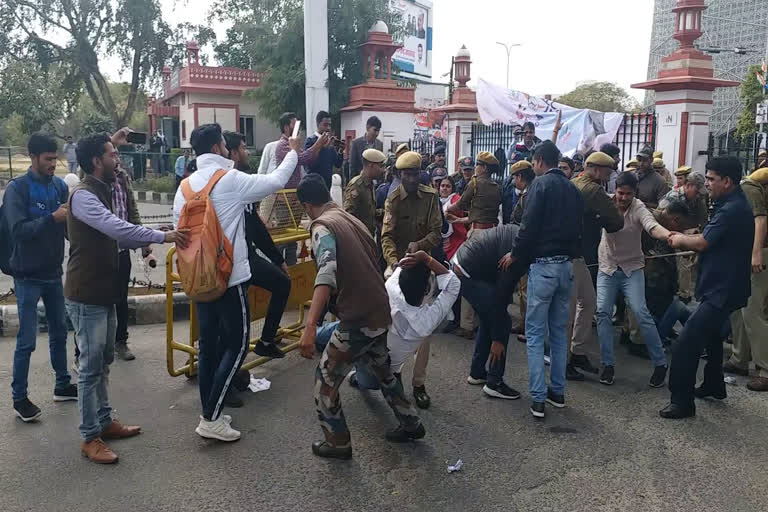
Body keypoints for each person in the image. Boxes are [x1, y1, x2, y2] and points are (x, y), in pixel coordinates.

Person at [173, 123, 301, 442]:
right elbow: (274, 180)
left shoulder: (185, 187)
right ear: (219, 147)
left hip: (199, 278)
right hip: (229, 279)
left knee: (209, 348)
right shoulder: (229, 180)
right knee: (239, 343)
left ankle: (211, 410)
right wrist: (294, 151)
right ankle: (211, 418)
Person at [67, 130, 188, 463]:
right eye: (112, 154)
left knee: (103, 362)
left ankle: (104, 421)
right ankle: (89, 436)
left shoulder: (104, 189)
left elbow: (122, 228)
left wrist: (150, 240)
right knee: (91, 368)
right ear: (96, 161)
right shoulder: (84, 196)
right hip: (86, 293)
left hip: (103, 292)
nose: (117, 159)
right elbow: (118, 229)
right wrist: (164, 235)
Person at [296, 174, 423, 459]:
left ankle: (338, 442)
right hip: (378, 309)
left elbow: (326, 272)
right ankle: (411, 422)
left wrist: (311, 325)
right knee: (385, 373)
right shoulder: (352, 220)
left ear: (306, 205)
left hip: (358, 317)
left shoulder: (323, 226)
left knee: (325, 381)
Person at [661, 157, 754, 418]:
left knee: (686, 344)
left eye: (712, 179)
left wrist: (679, 239)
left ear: (727, 181)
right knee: (713, 338)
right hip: (722, 285)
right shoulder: (730, 204)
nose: (707, 184)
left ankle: (681, 402)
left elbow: (702, 242)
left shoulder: (732, 209)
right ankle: (714, 385)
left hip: (722, 290)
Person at [503, 140, 584, 419]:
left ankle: (538, 398)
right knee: (559, 333)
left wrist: (515, 254)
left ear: (538, 161)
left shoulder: (539, 185)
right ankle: (557, 392)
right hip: (566, 266)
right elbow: (579, 229)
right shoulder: (573, 188)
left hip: (544, 266)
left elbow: (528, 225)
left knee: (536, 334)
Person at [4, 133, 75, 422]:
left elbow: (67, 226)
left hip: (53, 272)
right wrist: (52, 219)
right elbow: (17, 231)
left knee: (60, 331)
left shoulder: (59, 186)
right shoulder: (17, 189)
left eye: (55, 159)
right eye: (47, 159)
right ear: (33, 158)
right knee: (27, 339)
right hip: (27, 275)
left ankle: (62, 384)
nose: (53, 165)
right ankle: (19, 398)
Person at [595, 171, 673, 388]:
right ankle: (607, 364)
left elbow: (652, 226)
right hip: (607, 267)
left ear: (634, 193)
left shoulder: (639, 208)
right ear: (616, 190)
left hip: (632, 268)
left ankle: (660, 364)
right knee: (602, 312)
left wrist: (669, 236)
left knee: (640, 312)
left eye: (628, 194)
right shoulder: (607, 203)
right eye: (620, 193)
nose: (623, 198)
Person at [223, 131, 291, 364]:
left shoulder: (245, 181)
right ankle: (229, 372)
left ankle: (265, 341)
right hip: (228, 262)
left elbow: (256, 227)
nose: (247, 151)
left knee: (283, 282)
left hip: (248, 257)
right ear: (232, 153)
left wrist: (277, 259)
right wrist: (293, 152)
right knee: (232, 326)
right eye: (243, 147)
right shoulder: (226, 183)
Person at [381, 150, 442, 408]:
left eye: (415, 173)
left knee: (423, 330)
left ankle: (419, 383)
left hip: (421, 267)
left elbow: (437, 232)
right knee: (389, 324)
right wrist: (394, 263)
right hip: (396, 268)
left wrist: (419, 248)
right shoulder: (393, 199)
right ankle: (389, 375)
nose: (412, 178)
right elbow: (386, 236)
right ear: (399, 174)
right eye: (407, 174)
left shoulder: (430, 197)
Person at [567, 152, 624, 380]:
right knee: (572, 311)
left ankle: (577, 351)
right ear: (598, 170)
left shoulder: (572, 183)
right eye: (608, 172)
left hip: (574, 254)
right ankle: (565, 362)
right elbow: (617, 222)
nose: (609, 176)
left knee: (587, 303)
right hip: (576, 255)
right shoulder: (594, 190)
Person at [453, 224, 526, 399]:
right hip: (467, 272)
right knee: (502, 321)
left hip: (463, 266)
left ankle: (477, 373)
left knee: (488, 317)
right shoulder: (518, 256)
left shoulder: (518, 234)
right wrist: (498, 338)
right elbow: (502, 293)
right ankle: (494, 382)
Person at [723, 168, 768, 392]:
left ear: (726, 180)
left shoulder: (749, 186)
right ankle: (739, 358)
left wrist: (756, 252)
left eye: (712, 179)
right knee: (738, 307)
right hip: (745, 252)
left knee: (753, 311)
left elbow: (760, 220)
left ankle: (765, 370)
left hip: (757, 253)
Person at [110, 155, 148, 362]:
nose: (116, 158)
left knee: (121, 298)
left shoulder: (123, 177)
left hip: (123, 250)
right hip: (103, 252)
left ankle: (120, 341)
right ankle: (89, 350)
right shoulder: (94, 181)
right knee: (100, 299)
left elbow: (131, 209)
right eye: (111, 153)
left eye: (116, 154)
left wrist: (144, 242)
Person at [507, 160, 536, 342]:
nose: (514, 181)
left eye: (515, 177)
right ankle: (526, 322)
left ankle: (528, 325)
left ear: (520, 177)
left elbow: (521, 222)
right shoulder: (531, 192)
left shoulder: (529, 195)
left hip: (527, 249)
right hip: (530, 247)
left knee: (527, 290)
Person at [446, 151, 501, 235]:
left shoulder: (475, 183)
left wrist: (446, 209)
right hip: (493, 231)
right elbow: (481, 214)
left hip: (478, 231)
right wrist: (458, 220)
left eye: (478, 164)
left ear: (485, 168)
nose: (475, 167)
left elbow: (460, 204)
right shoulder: (496, 187)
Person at [343, 148, 386, 238]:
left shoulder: (370, 184)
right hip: (359, 238)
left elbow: (368, 211)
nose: (383, 170)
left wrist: (385, 213)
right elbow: (348, 216)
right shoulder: (356, 186)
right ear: (371, 165)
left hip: (368, 236)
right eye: (381, 166)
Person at [304, 111, 344, 188]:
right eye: (325, 125)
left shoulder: (330, 142)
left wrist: (341, 150)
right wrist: (323, 147)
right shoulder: (310, 141)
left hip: (327, 187)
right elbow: (309, 166)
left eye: (329, 125)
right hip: (313, 185)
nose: (328, 128)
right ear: (318, 124)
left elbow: (337, 164)